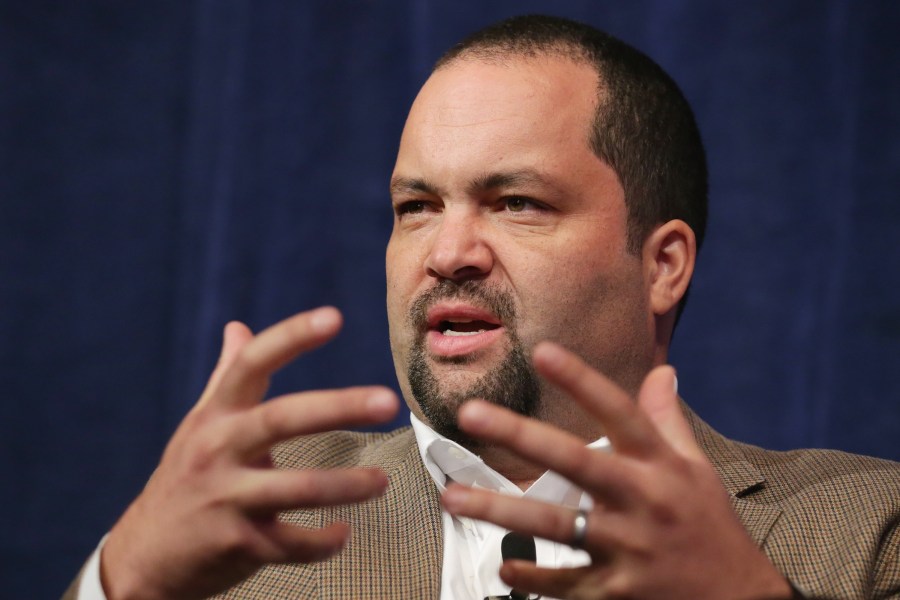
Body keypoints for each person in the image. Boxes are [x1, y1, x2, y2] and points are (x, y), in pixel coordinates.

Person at [65, 15, 900, 600]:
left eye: (515, 202)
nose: (447, 251)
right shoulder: (256, 517)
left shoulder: (866, 529)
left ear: (664, 265)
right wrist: (122, 580)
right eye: (415, 207)